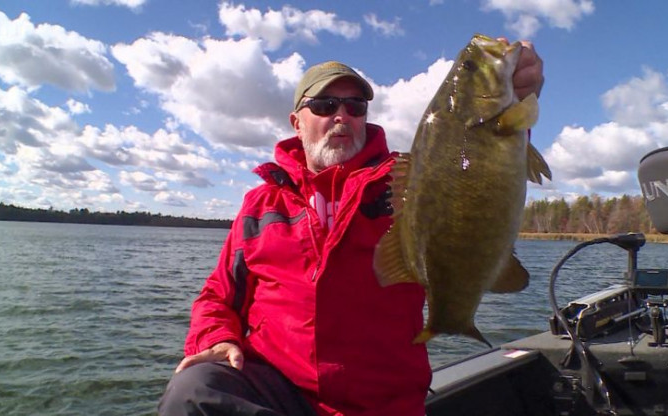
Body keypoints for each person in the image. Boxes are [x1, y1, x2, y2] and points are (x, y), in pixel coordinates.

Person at [158, 39, 545, 416]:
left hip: (381, 403)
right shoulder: (260, 206)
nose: (341, 115)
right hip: (277, 391)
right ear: (296, 123)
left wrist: (514, 98)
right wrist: (217, 337)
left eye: (355, 106)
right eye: (325, 105)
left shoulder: (407, 184)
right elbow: (217, 296)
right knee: (193, 389)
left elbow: (474, 167)